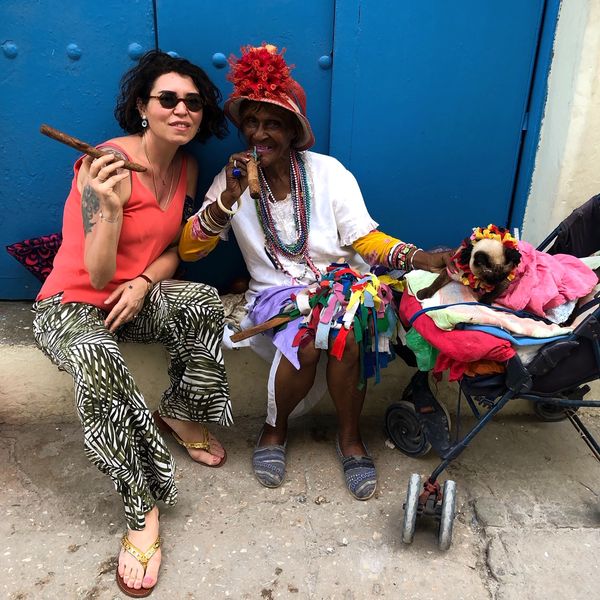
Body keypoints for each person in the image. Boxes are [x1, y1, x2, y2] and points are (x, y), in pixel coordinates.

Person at [179, 44, 450, 502]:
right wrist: (228, 198)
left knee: (345, 336)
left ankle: (351, 439)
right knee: (305, 340)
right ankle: (275, 429)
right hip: (276, 294)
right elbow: (190, 248)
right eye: (251, 122)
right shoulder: (232, 180)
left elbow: (364, 239)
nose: (259, 134)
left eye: (272, 124)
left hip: (344, 285)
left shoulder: (328, 173)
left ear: (292, 131)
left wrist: (418, 258)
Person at [32, 50, 230, 597]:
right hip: (70, 304)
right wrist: (109, 206)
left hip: (129, 299)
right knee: (98, 359)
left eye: (193, 102)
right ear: (143, 106)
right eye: (167, 98)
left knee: (203, 301)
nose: (181, 110)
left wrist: (143, 283)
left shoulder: (187, 168)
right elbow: (97, 274)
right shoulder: (104, 165)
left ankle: (181, 412)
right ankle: (141, 510)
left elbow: (174, 252)